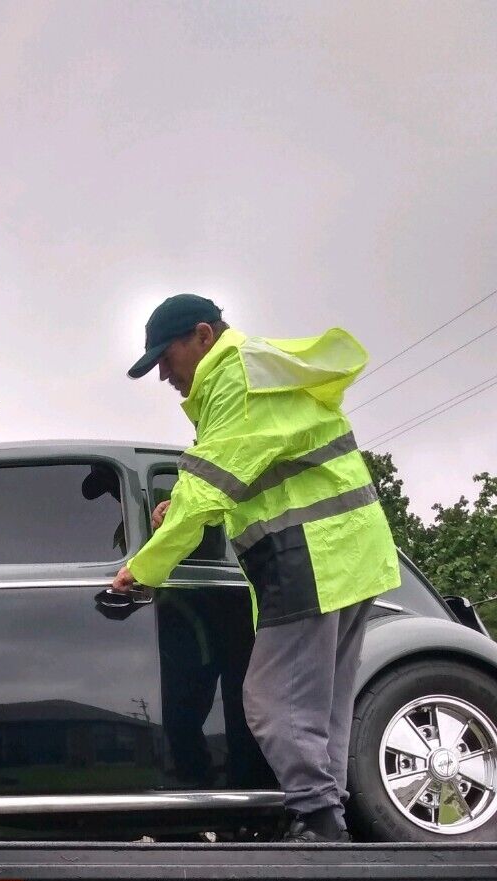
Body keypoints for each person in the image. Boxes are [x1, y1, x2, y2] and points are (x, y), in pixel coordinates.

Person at [112, 294, 400, 841]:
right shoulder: (257, 369)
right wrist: (189, 505)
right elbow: (254, 475)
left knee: (270, 703)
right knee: (322, 708)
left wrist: (143, 569)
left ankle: (317, 818)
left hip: (309, 552)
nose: (164, 375)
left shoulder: (235, 377)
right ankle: (322, 818)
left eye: (166, 358)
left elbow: (207, 489)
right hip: (350, 550)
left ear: (202, 335)